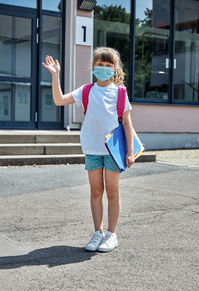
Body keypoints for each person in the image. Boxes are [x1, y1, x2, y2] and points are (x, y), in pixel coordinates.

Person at [42, 47, 135, 252]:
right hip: (92, 148)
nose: (104, 68)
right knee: (95, 191)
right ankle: (97, 232)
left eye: (108, 65)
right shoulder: (86, 90)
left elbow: (127, 123)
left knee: (112, 191)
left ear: (115, 68)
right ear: (93, 67)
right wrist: (55, 76)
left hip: (112, 150)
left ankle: (112, 234)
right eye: (100, 65)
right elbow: (59, 100)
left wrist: (130, 151)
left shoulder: (120, 92)